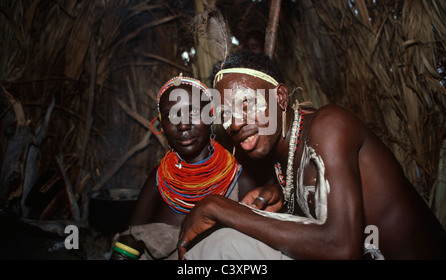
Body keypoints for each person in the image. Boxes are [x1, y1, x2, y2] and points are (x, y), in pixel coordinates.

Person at [177, 51, 446, 260]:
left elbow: (342, 249)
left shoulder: (329, 126)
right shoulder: (282, 159)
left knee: (226, 245)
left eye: (246, 104)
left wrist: (220, 208)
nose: (234, 123)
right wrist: (279, 199)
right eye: (225, 114)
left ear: (281, 98)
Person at [112, 74, 256, 260]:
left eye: (194, 113)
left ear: (211, 115)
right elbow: (129, 238)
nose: (183, 125)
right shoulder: (159, 179)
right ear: (161, 123)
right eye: (172, 116)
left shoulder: (239, 180)